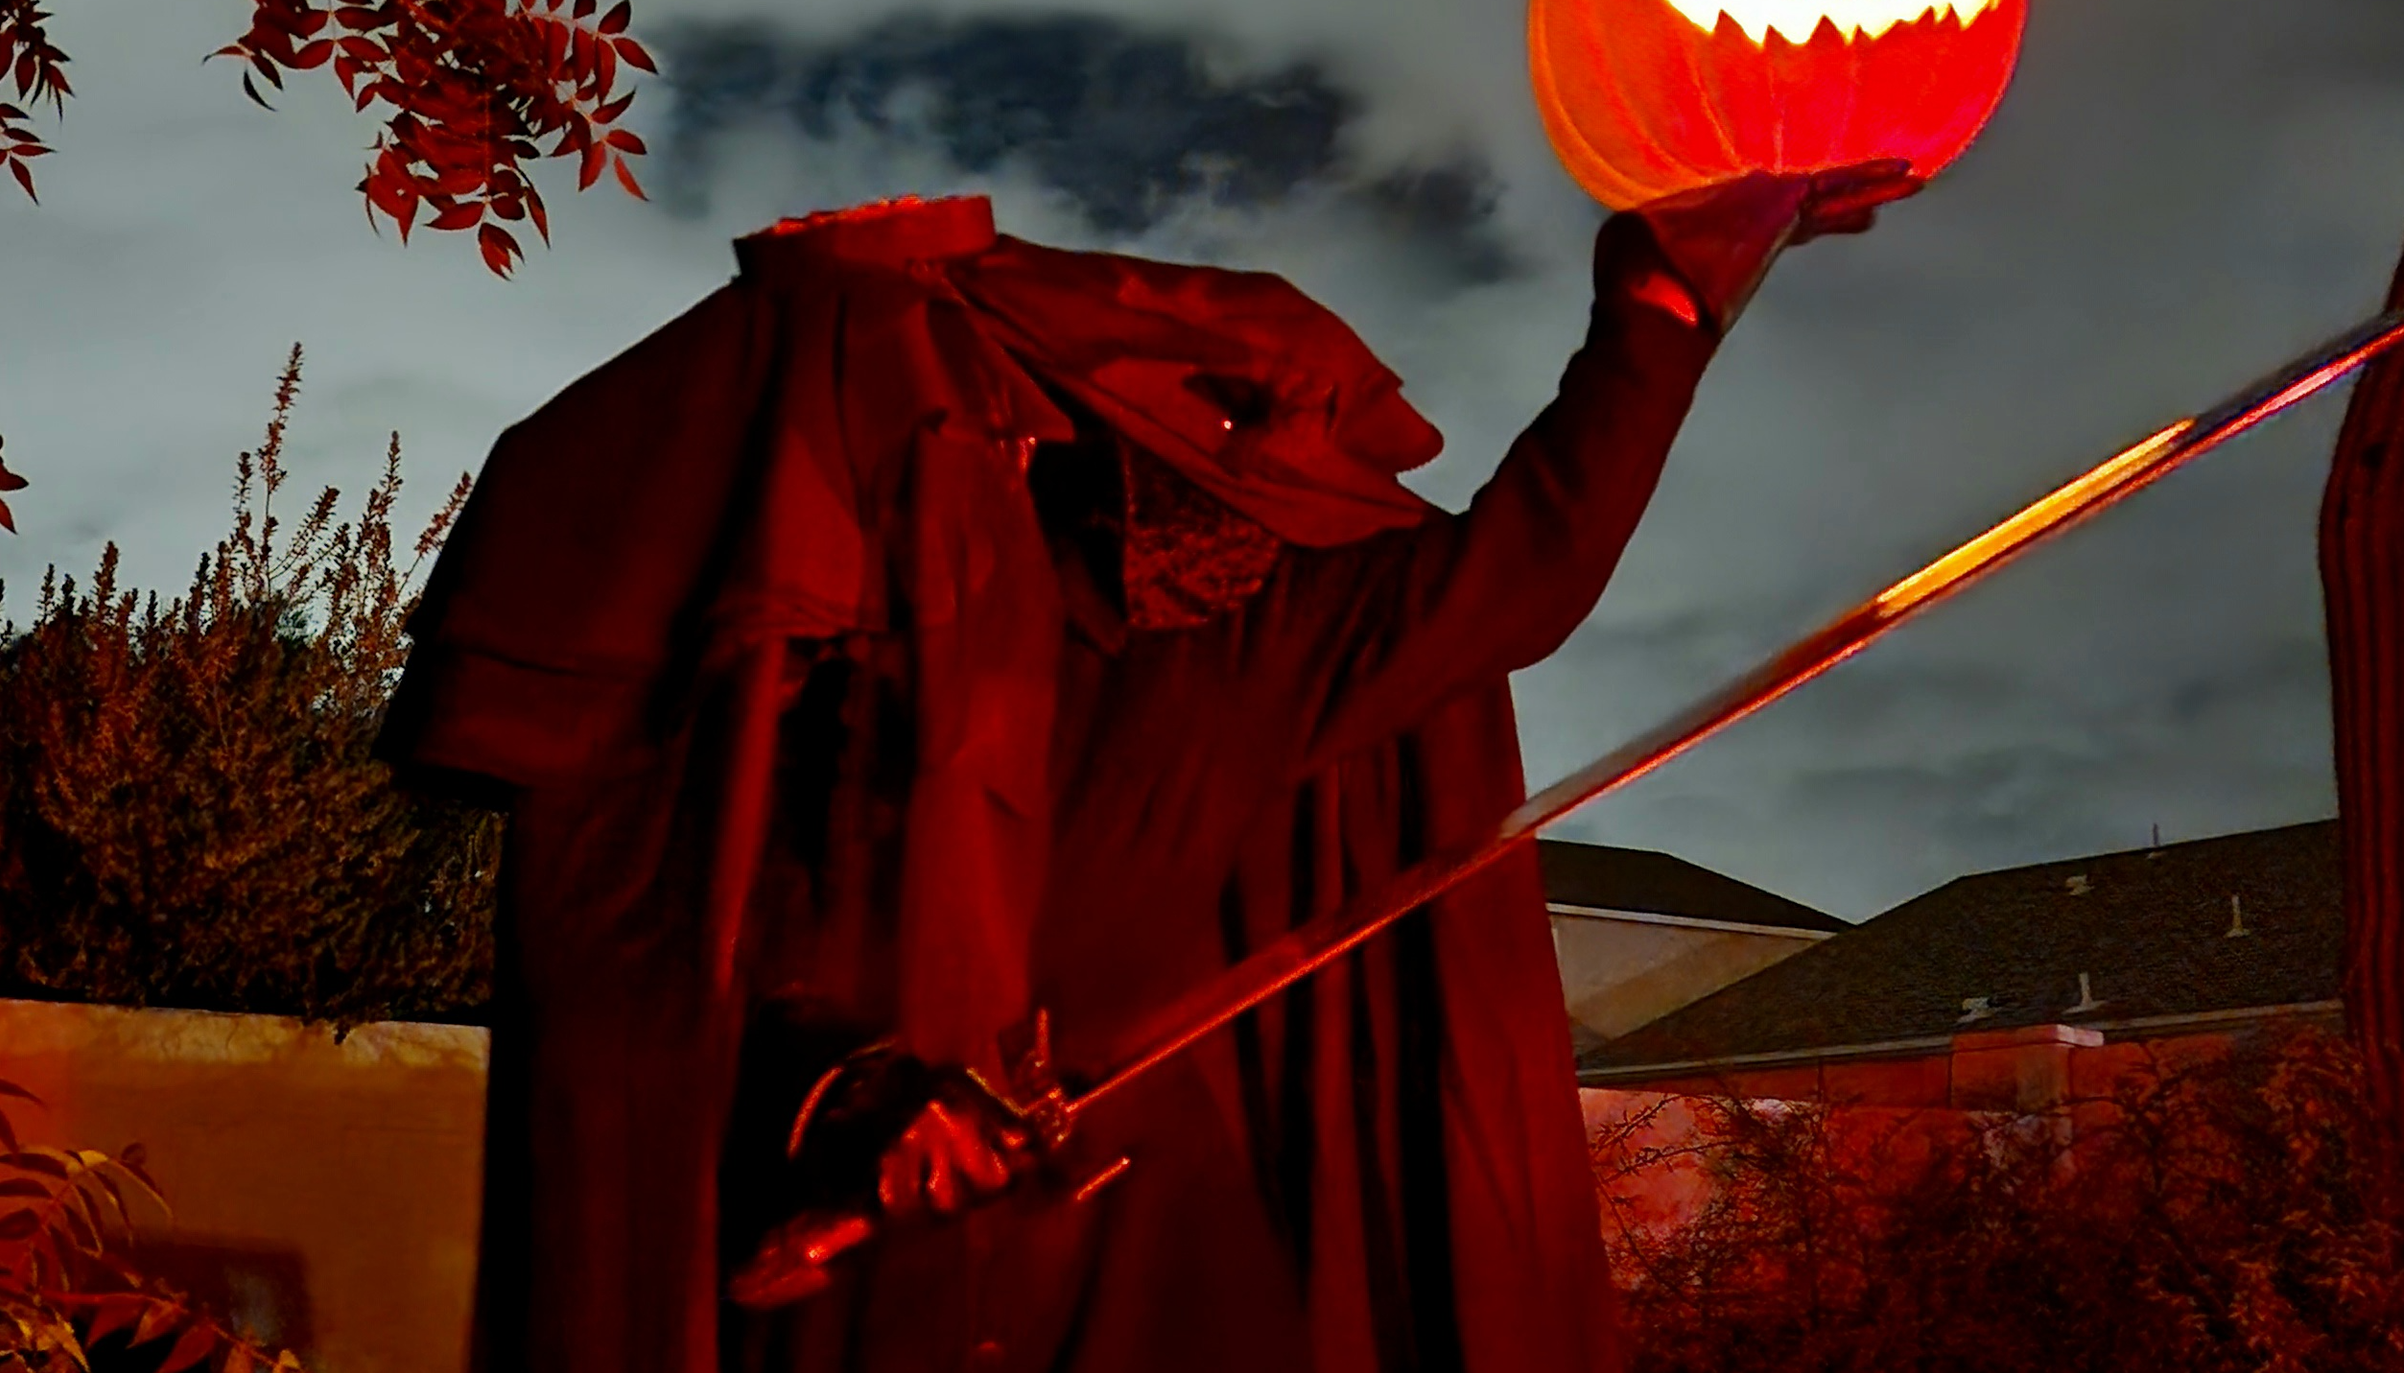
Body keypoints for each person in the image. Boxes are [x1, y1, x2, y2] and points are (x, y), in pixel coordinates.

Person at [379, 161, 1915, 1373]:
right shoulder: (760, 699)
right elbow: (687, 991)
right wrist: (857, 1104)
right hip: (855, 1293)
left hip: (1159, 1277)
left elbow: (1523, 570)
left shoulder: (1227, 644)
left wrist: (1653, 308)